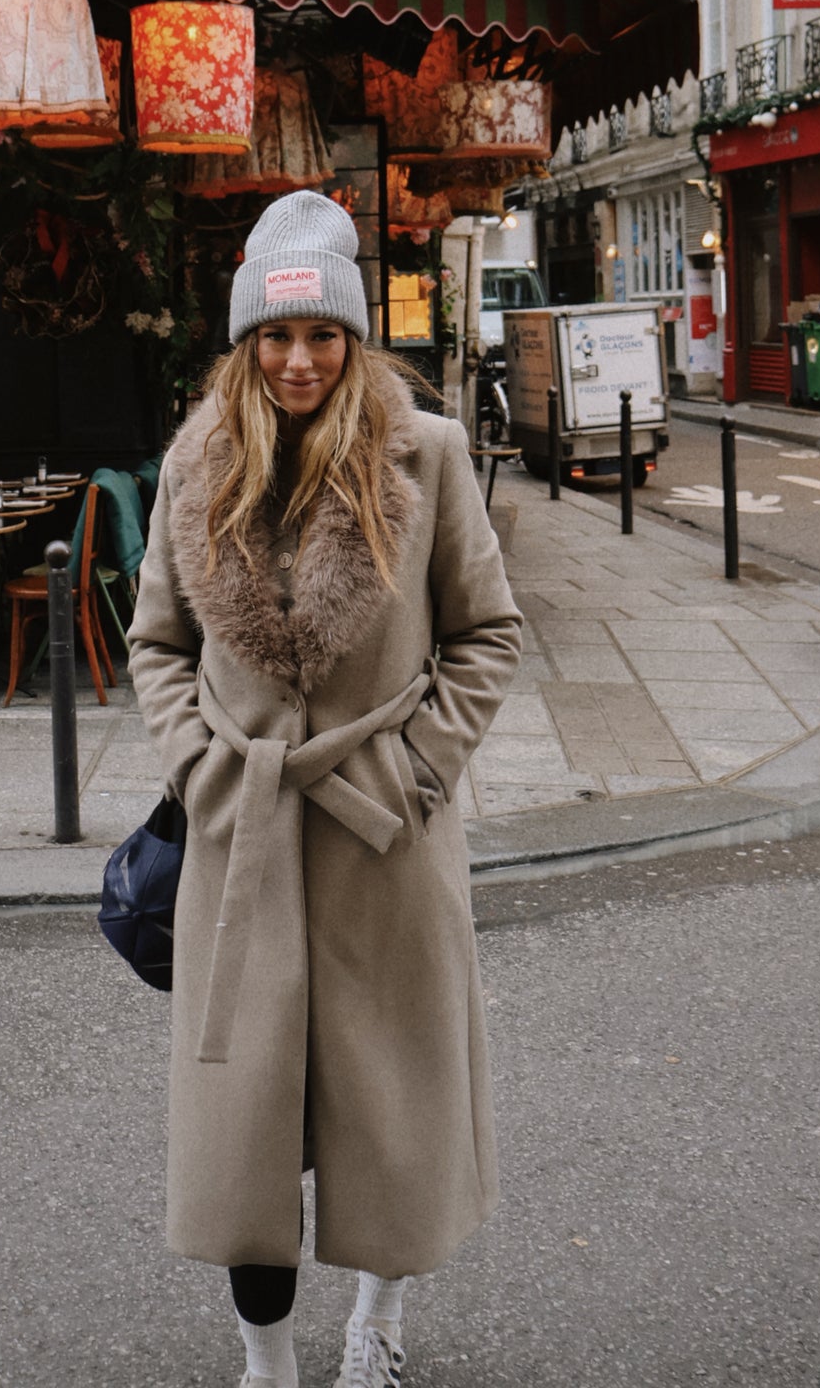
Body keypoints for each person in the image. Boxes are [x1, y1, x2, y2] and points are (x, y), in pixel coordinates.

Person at [128, 191, 523, 1388]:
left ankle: (378, 1324)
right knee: (249, 1129)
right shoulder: (194, 466)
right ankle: (265, 1360)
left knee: (386, 1115)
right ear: (245, 342)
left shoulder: (427, 454)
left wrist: (412, 774)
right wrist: (202, 766)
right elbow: (154, 643)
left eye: (321, 336)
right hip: (239, 838)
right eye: (274, 337)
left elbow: (488, 633)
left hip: (380, 844)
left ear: (353, 338)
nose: (298, 361)